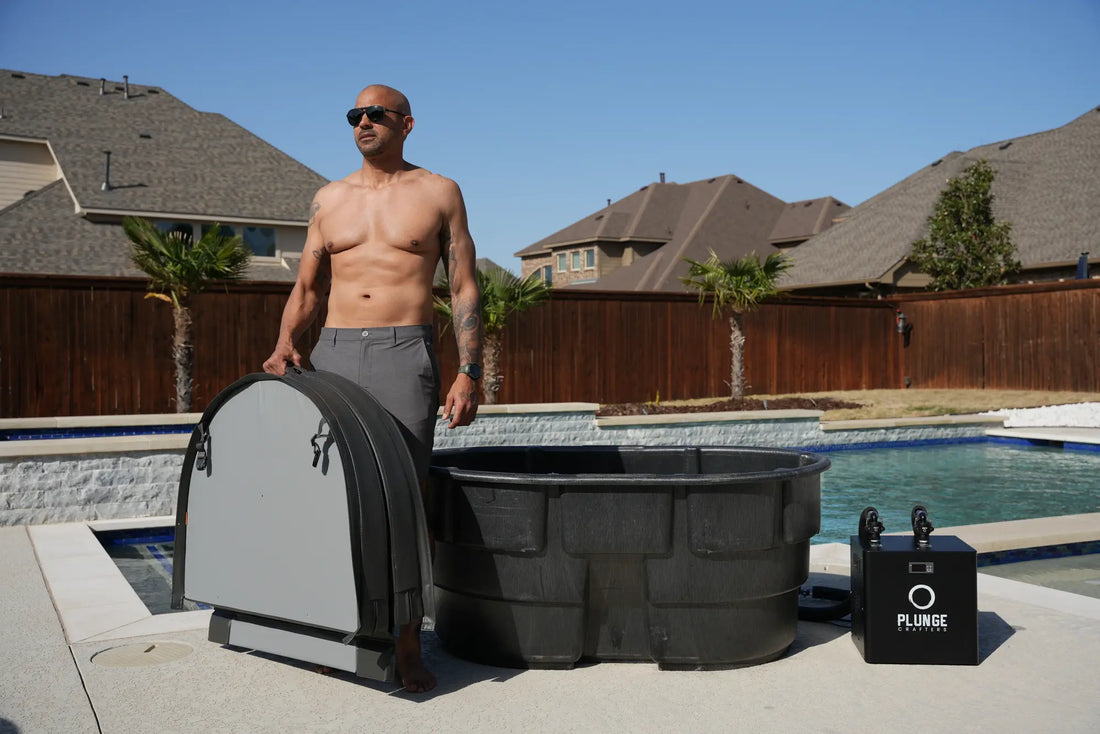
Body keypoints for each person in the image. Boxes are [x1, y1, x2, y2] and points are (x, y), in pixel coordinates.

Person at [262, 84, 482, 693]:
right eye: (355, 115)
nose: (364, 123)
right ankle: (340, 632)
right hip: (331, 351)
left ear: (406, 124)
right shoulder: (329, 199)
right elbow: (307, 287)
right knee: (332, 497)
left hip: (401, 351)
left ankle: (407, 645)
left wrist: (470, 370)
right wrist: (286, 344)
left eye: (376, 114)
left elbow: (464, 285)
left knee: (404, 499)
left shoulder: (439, 192)